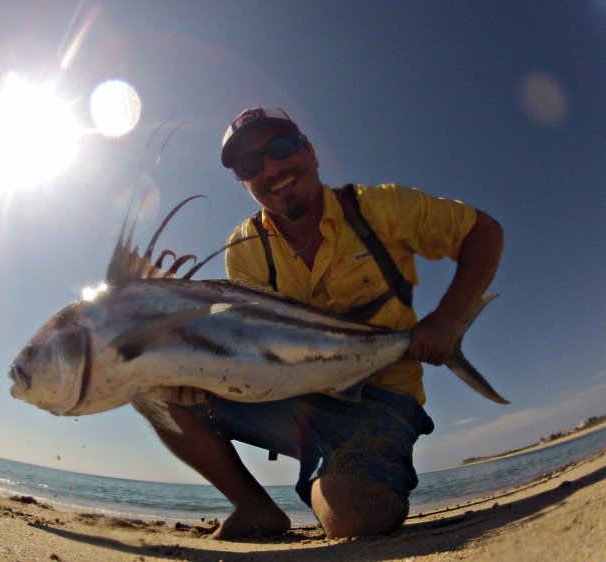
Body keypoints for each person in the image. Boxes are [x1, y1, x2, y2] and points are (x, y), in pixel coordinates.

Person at [152, 107, 504, 540]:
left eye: (281, 148)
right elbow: (250, 346)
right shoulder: (244, 249)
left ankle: (348, 472)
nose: (272, 168)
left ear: (311, 152)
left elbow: (483, 233)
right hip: (294, 400)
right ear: (243, 181)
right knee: (156, 383)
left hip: (382, 399)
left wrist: (447, 321)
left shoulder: (380, 207)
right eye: (250, 164)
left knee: (353, 518)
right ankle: (254, 508)